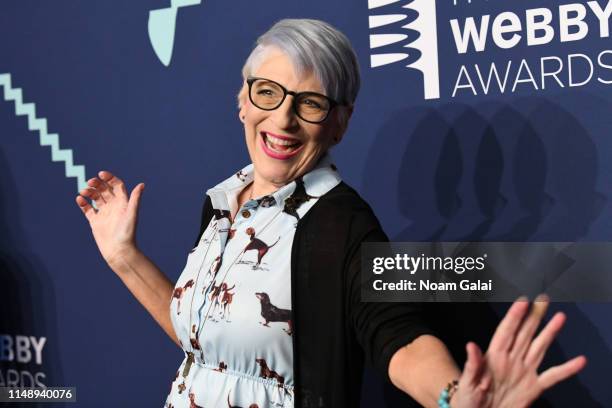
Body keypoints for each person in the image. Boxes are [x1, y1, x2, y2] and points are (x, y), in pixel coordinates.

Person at [75, 19, 586, 408]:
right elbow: (209, 341)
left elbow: (397, 335)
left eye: (311, 103)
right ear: (243, 102)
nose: (284, 119)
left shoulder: (345, 225)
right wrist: (124, 256)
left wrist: (454, 396)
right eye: (268, 93)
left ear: (339, 124)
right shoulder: (221, 203)